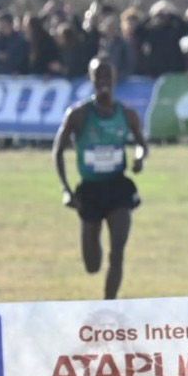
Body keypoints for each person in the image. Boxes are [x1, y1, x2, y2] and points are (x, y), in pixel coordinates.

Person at [51, 58, 150, 300]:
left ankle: (110, 306)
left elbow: (142, 145)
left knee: (117, 253)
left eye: (108, 75)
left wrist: (139, 158)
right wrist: (66, 189)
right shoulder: (79, 114)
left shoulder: (127, 114)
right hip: (90, 191)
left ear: (115, 79)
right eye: (98, 76)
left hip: (118, 188)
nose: (103, 80)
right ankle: (94, 252)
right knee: (92, 265)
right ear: (91, 79)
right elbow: (58, 151)